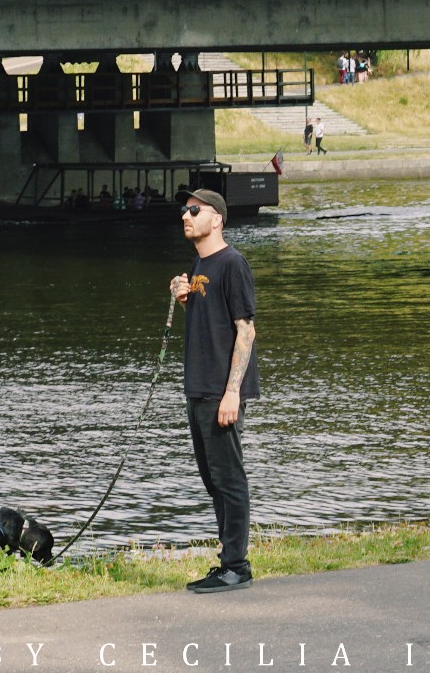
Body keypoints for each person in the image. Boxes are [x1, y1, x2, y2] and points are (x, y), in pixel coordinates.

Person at [169, 188, 258, 593]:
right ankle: (227, 559)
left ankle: (236, 565)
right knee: (212, 479)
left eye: (194, 210)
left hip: (220, 391)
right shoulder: (200, 263)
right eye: (184, 211)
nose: (185, 216)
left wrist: (232, 393)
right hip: (198, 387)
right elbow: (212, 322)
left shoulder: (232, 263)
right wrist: (185, 299)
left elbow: (245, 329)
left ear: (216, 218)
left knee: (229, 478)